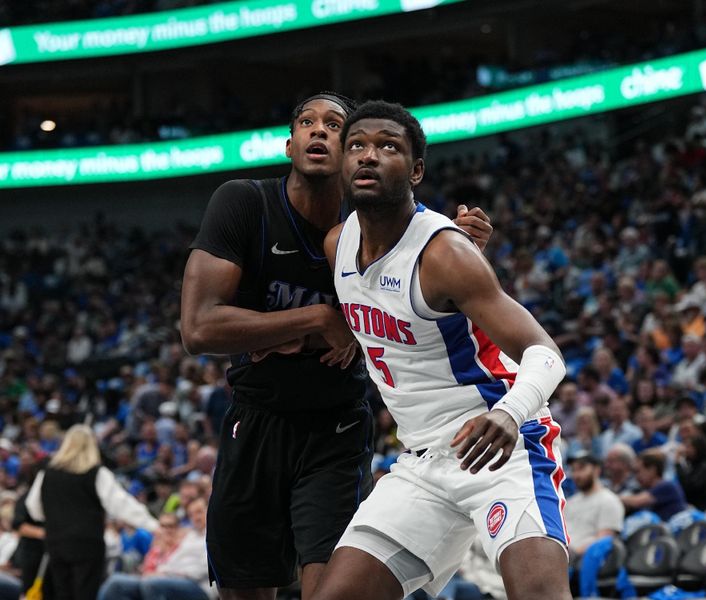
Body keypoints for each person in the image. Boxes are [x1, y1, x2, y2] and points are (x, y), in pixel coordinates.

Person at [180, 92, 492, 600]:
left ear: (351, 152)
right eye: (307, 122)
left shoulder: (376, 220)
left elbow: (427, 297)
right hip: (255, 417)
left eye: (333, 125)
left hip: (336, 426)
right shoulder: (244, 202)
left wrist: (459, 254)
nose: (318, 131)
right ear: (289, 144)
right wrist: (318, 319)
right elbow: (198, 328)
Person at [315, 100, 570, 600]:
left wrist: (510, 413)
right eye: (358, 145)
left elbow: (545, 352)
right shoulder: (336, 244)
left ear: (415, 171)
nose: (368, 156)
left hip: (504, 448)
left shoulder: (446, 254)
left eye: (387, 146)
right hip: (421, 463)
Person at [25, 424, 158, 600]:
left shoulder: (47, 474)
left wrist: (55, 516)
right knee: (85, 594)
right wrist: (153, 525)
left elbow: (33, 507)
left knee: (63, 593)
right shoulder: (97, 474)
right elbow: (120, 504)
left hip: (56, 542)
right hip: (87, 544)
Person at [97, 497, 216, 600]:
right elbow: (172, 561)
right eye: (191, 514)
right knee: (116, 582)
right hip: (168, 578)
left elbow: (204, 569)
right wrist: (159, 572)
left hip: (198, 585)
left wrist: (164, 573)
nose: (196, 517)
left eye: (199, 512)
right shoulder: (189, 536)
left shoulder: (215, 536)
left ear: (209, 509)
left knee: (151, 584)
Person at [564, 452, 624, 562]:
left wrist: (571, 555)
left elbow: (604, 540)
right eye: (573, 470)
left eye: (581, 468)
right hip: (561, 555)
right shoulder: (570, 502)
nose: (576, 475)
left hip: (581, 561)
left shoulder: (609, 500)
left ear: (597, 470)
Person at [620, 449, 686, 521]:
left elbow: (636, 502)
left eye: (638, 471)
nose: (636, 477)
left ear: (652, 470)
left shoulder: (667, 486)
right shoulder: (643, 489)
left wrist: (611, 496)